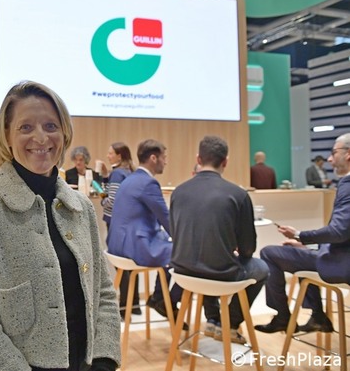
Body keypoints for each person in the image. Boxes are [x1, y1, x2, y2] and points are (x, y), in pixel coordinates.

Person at [0, 81, 121, 371]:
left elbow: (103, 292)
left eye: (51, 126)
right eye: (26, 127)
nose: (41, 137)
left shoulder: (80, 207)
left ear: (64, 133)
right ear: (7, 136)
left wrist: (104, 360)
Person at [170, 136, 269, 344]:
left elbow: (175, 232)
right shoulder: (238, 194)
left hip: (182, 272)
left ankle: (213, 319)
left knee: (210, 258)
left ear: (198, 159)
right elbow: (248, 248)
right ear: (225, 161)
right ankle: (229, 324)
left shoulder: (178, 192)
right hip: (220, 273)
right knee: (262, 268)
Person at [255, 133, 350, 334]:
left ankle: (283, 317)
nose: (330, 159)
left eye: (334, 153)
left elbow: (339, 232)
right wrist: (308, 245)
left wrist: (300, 235)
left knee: (269, 253)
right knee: (300, 255)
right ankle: (317, 317)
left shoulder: (347, 185)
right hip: (340, 256)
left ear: (348, 154)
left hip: (340, 264)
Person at [107, 139, 183, 320]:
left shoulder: (129, 178)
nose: (166, 162)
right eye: (164, 157)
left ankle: (159, 298)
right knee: (184, 253)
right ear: (154, 158)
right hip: (134, 247)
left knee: (172, 248)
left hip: (116, 245)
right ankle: (161, 299)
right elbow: (166, 218)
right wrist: (184, 241)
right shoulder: (148, 183)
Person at [100, 142, 134, 229]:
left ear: (119, 156)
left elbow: (111, 201)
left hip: (114, 218)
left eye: (110, 153)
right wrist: (105, 176)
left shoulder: (117, 174)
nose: (107, 156)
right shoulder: (129, 171)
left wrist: (102, 200)